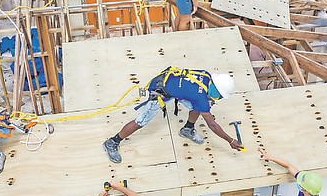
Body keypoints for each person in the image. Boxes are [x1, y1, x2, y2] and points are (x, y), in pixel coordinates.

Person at [102, 67, 243, 164]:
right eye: (220, 96)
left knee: (202, 106)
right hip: (158, 91)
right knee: (140, 122)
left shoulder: (205, 75)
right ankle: (113, 142)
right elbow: (212, 125)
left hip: (168, 81)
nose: (219, 99)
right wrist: (230, 141)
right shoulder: (201, 97)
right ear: (217, 90)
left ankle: (187, 129)